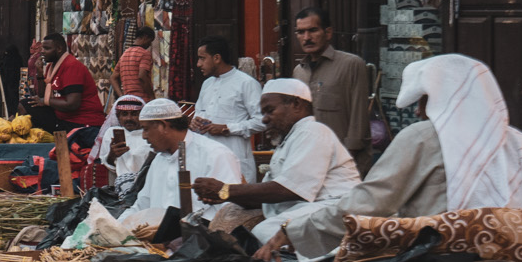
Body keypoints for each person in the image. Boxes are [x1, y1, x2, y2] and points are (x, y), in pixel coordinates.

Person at [266, 54, 522, 262]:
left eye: (424, 101)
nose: (419, 112)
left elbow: (369, 202)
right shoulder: (521, 142)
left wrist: (296, 232)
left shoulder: (424, 137)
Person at [191, 78, 359, 247]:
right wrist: (225, 195)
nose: (264, 120)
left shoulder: (312, 131)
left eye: (269, 111)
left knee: (266, 232)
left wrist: (226, 189)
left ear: (296, 105)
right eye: (263, 113)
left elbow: (289, 189)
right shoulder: (289, 139)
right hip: (309, 210)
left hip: (333, 210)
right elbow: (266, 198)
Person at [123, 99, 242, 217]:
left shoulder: (215, 154)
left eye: (146, 129)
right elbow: (142, 205)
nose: (143, 136)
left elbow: (229, 209)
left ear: (163, 125)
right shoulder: (159, 159)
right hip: (158, 233)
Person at [290, 8, 373, 170]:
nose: (306, 37)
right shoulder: (299, 72)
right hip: (310, 159)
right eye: (301, 32)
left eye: (313, 30)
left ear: (327, 33)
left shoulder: (351, 65)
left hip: (345, 161)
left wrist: (346, 159)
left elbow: (359, 118)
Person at [190, 36, 262, 173]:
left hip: (235, 158)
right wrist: (196, 122)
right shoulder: (207, 84)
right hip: (206, 159)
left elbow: (262, 121)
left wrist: (227, 128)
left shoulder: (246, 83)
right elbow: (200, 112)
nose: (198, 64)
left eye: (202, 58)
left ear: (217, 58)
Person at [37, 34, 105, 132]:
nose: (42, 52)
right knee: (27, 105)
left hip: (83, 122)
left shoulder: (71, 66)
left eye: (47, 48)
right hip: (63, 118)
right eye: (42, 48)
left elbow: (72, 104)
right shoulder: (50, 68)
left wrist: (45, 101)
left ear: (59, 49)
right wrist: (39, 75)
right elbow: (43, 96)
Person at [101, 94, 152, 193]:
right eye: (124, 114)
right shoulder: (111, 132)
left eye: (134, 114)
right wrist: (112, 155)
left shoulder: (150, 133)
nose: (129, 118)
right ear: (118, 117)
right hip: (123, 184)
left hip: (149, 181)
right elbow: (108, 166)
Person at [116, 27, 157, 101]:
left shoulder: (125, 54)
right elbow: (142, 76)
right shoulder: (144, 54)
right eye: (150, 41)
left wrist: (121, 96)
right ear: (145, 37)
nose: (150, 44)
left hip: (128, 100)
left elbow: (113, 77)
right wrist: (151, 96)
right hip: (142, 99)